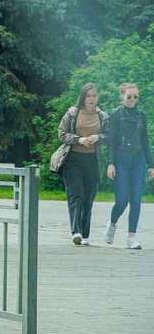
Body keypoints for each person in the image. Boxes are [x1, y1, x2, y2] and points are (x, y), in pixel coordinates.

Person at [57, 83, 108, 246]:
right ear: (83, 97)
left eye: (94, 96)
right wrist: (79, 139)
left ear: (97, 97)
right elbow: (61, 134)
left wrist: (98, 138)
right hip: (72, 159)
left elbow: (110, 136)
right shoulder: (72, 113)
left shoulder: (103, 116)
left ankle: (85, 234)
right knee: (75, 195)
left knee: (88, 198)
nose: (91, 99)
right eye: (88, 96)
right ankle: (76, 232)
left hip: (93, 160)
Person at [103, 83, 153, 249]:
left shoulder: (141, 115)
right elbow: (111, 142)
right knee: (122, 200)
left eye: (135, 97)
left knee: (136, 200)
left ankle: (131, 237)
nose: (132, 100)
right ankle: (112, 223)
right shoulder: (116, 115)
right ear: (122, 97)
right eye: (129, 96)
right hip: (121, 161)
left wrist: (151, 165)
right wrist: (110, 163)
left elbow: (145, 141)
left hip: (138, 161)